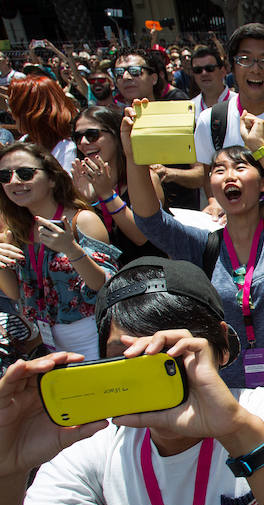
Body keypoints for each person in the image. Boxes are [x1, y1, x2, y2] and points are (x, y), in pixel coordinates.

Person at [0, 256, 264, 505]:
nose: (146, 371)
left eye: (171, 353)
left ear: (221, 348)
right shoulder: (94, 441)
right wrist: (8, 471)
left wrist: (240, 433)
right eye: (126, 357)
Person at [125, 99, 264, 421]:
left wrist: (260, 147)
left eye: (240, 167)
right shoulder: (202, 245)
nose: (228, 176)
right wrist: (134, 151)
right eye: (219, 170)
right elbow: (150, 221)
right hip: (227, 401)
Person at [0, 143, 119, 359]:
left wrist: (70, 248)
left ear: (52, 178)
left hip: (93, 339)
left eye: (25, 173)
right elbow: (15, 293)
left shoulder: (81, 221)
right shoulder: (15, 232)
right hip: (49, 345)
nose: (14, 181)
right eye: (4, 176)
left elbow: (104, 285)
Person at [194, 23, 264, 184]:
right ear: (232, 67)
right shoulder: (210, 121)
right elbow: (209, 184)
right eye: (245, 59)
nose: (255, 69)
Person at [70, 106, 165, 265]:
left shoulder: (146, 178)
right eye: (77, 137)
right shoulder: (82, 184)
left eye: (92, 135)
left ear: (116, 135)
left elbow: (142, 237)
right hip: (109, 278)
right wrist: (85, 202)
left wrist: (107, 195)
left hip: (151, 273)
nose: (83, 143)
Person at [113, 47, 204, 211]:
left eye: (134, 71)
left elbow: (201, 175)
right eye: (119, 73)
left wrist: (168, 173)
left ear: (154, 78)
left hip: (181, 217)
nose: (126, 77)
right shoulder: (115, 126)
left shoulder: (177, 116)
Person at [7, 75, 78, 173]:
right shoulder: (25, 140)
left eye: (12, 106)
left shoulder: (66, 149)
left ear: (32, 112)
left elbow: (64, 187)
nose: (9, 112)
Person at [189, 45, 234, 119]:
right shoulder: (190, 109)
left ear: (223, 71)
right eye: (198, 70)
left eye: (209, 68)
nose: (204, 73)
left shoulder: (241, 104)